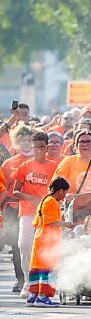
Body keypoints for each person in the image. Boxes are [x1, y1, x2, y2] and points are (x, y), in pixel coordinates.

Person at [13, 131, 58, 299]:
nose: (39, 150)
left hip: (47, 213)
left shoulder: (54, 166)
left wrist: (47, 199)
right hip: (27, 211)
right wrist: (29, 197)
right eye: (36, 147)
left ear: (46, 147)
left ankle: (45, 283)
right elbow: (15, 190)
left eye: (42, 147)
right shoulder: (24, 166)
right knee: (24, 245)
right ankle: (27, 282)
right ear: (31, 148)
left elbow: (59, 191)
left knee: (46, 249)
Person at [26, 176, 75, 307]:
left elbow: (37, 222)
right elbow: (50, 221)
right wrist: (67, 224)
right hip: (47, 240)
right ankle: (43, 297)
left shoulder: (44, 200)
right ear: (60, 191)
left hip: (39, 237)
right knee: (48, 269)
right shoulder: (52, 202)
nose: (64, 196)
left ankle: (33, 295)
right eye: (64, 192)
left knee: (37, 268)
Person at [1, 124, 35, 292]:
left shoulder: (40, 160)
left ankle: (35, 279)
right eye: (23, 140)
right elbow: (3, 187)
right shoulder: (9, 164)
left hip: (34, 210)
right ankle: (20, 279)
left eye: (29, 139)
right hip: (13, 208)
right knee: (17, 245)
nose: (26, 143)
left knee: (34, 245)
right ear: (16, 141)